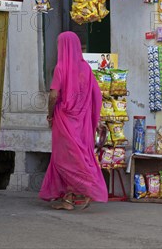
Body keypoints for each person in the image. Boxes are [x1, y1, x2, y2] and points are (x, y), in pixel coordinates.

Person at [39, 32, 108, 210]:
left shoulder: (60, 68)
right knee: (77, 156)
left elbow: (54, 95)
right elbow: (95, 95)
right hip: (83, 120)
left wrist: (50, 114)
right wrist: (96, 119)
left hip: (64, 120)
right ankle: (68, 198)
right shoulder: (86, 69)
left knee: (64, 159)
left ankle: (88, 189)